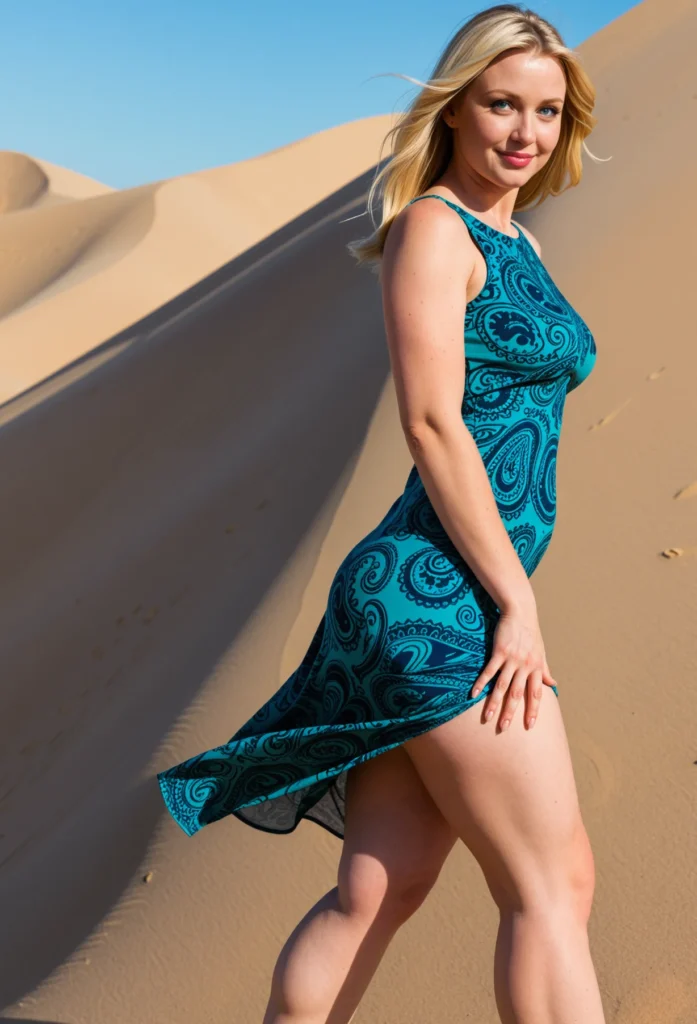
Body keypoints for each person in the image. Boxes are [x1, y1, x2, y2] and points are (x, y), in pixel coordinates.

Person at [157, 4, 607, 1021]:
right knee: (552, 884)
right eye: (500, 104)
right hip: (439, 596)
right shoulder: (433, 230)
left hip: (443, 591)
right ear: (454, 110)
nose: (524, 132)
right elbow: (432, 424)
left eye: (545, 110)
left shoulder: (515, 241)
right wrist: (515, 604)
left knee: (381, 886)